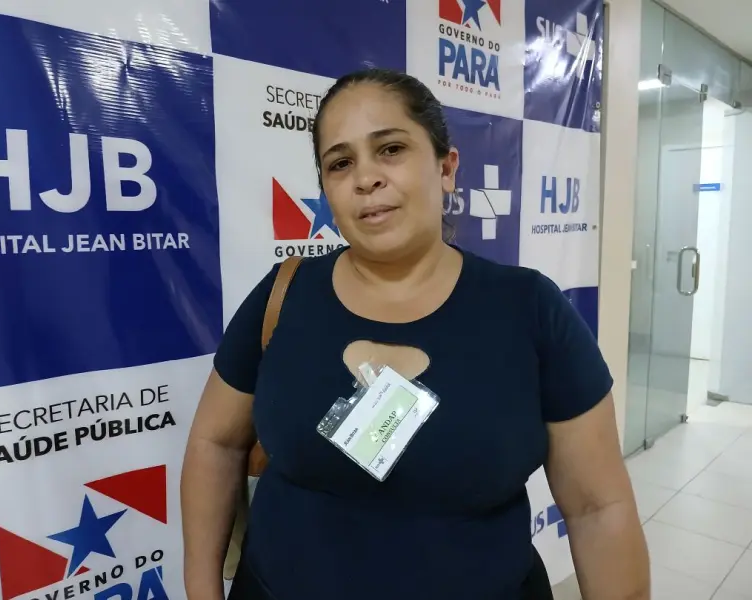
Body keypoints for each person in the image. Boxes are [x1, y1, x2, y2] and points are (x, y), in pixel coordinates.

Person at [181, 68, 650, 600]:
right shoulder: (284, 295)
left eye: (391, 149)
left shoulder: (530, 309)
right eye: (340, 163)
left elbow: (598, 509)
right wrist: (201, 588)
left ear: (446, 168)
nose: (366, 178)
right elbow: (215, 443)